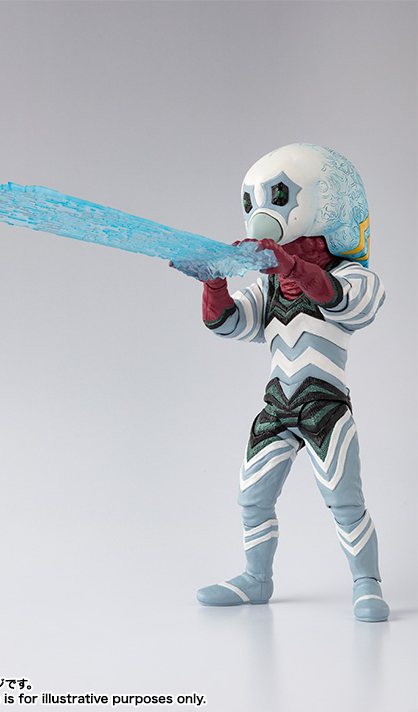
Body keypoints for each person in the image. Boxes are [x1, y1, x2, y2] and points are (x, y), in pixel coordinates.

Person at [179, 144, 389, 622]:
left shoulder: (352, 276)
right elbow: (229, 323)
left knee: (345, 500)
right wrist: (214, 282)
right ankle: (256, 578)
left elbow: (349, 302)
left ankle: (367, 583)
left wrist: (292, 267)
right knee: (252, 497)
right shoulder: (268, 284)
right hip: (276, 407)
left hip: (325, 406)